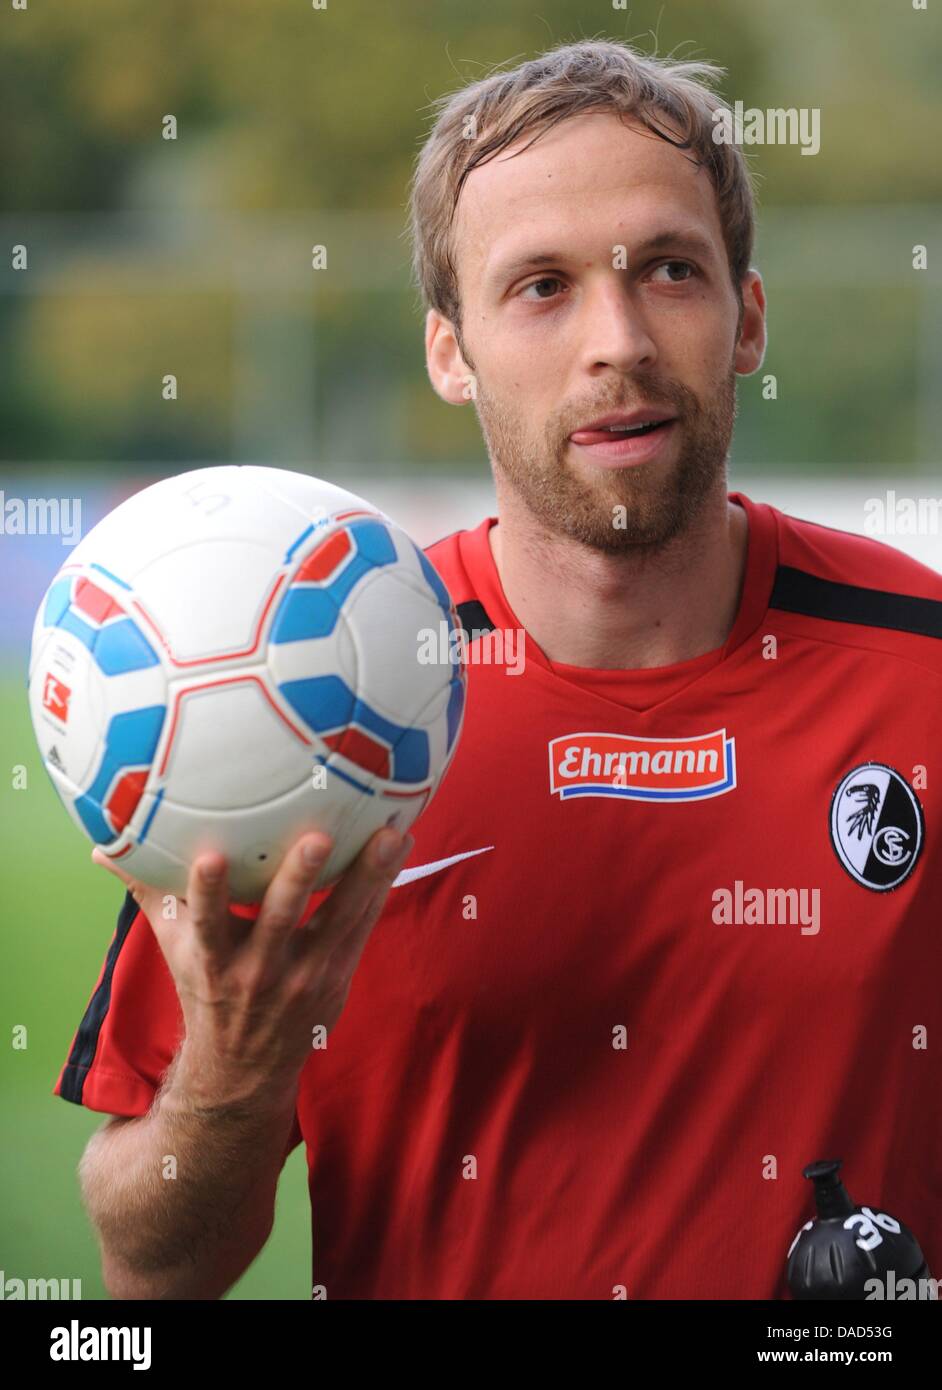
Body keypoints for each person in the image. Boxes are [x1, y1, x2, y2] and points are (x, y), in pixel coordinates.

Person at [57, 38, 942, 1300]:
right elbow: (145, 1278)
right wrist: (231, 1084)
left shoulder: (923, 670)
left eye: (671, 271)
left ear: (746, 318)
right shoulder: (304, 716)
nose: (618, 342)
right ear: (450, 350)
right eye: (541, 286)